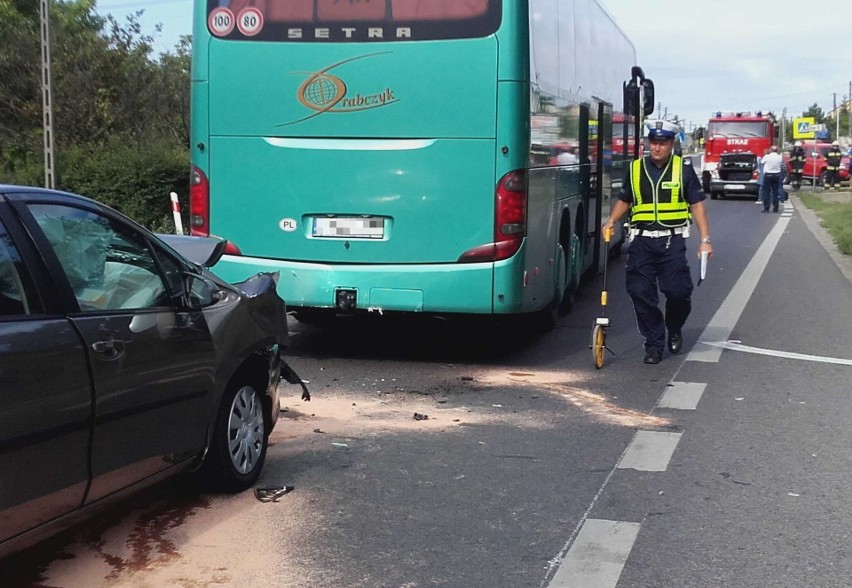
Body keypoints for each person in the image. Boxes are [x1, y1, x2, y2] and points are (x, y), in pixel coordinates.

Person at [602, 120, 713, 365]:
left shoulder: (682, 169)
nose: (657, 147)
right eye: (653, 142)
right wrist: (611, 220)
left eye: (662, 143)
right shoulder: (634, 169)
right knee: (640, 293)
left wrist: (705, 240)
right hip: (641, 242)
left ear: (671, 144)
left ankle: (674, 326)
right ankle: (654, 343)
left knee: (678, 292)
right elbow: (625, 199)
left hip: (671, 242)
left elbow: (696, 204)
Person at [760, 145, 784, 213]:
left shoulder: (767, 156)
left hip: (768, 175)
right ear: (777, 150)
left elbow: (762, 162)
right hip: (776, 175)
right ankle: (775, 208)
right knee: (775, 192)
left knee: (767, 192)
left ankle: (766, 208)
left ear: (770, 150)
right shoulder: (779, 157)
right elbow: (781, 162)